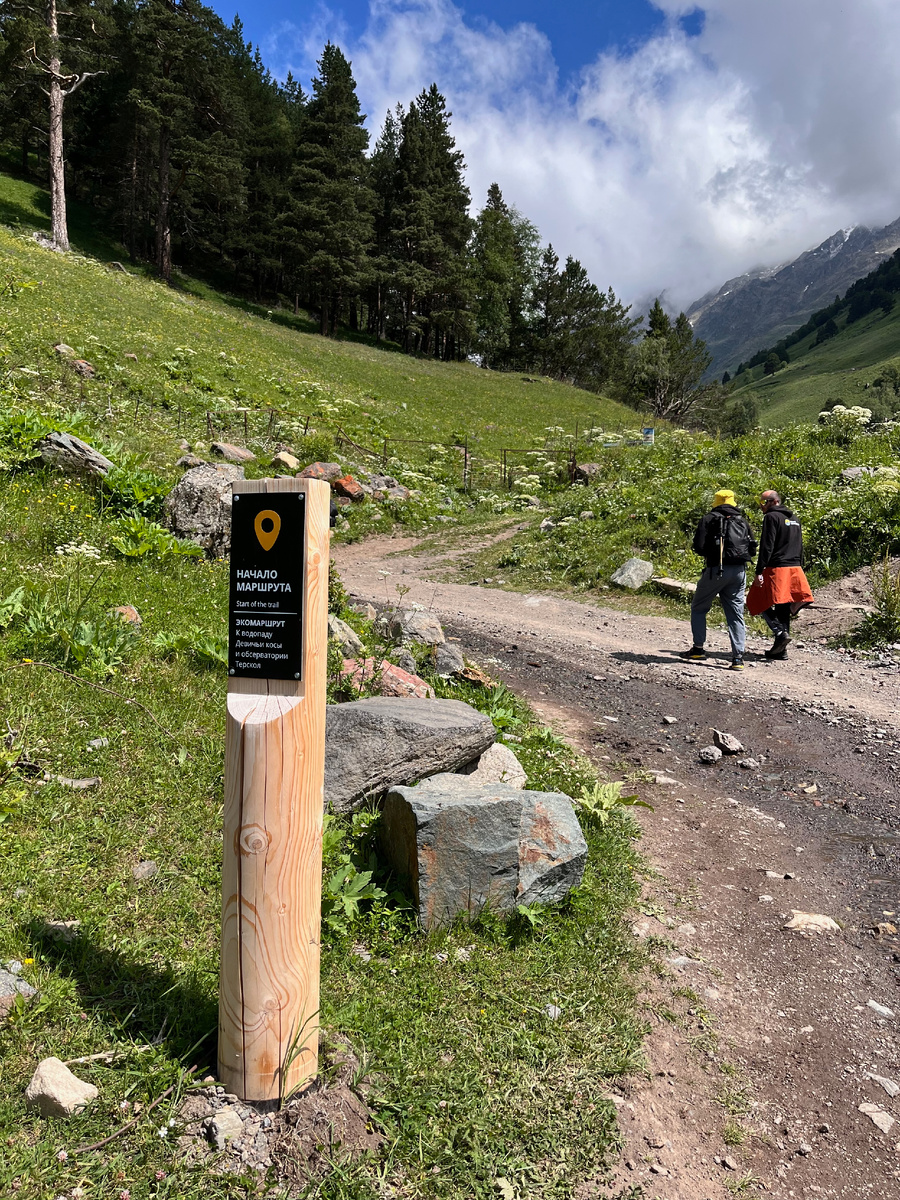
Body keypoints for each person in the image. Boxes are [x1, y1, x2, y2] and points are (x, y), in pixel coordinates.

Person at [680, 488, 757, 671]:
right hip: (739, 572)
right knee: (735, 614)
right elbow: (752, 548)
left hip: (716, 570)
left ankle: (698, 648)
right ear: (732, 502)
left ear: (716, 502)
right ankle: (738, 659)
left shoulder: (708, 519)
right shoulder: (742, 521)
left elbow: (698, 546)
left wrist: (712, 554)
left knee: (699, 607)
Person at [746, 490, 814, 660]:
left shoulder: (771, 518)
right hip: (795, 568)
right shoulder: (795, 519)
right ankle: (781, 650)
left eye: (763, 502)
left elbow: (766, 546)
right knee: (783, 606)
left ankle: (779, 631)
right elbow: (800, 545)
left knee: (755, 599)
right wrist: (801, 566)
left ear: (773, 502)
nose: (761, 505)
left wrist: (759, 571)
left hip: (777, 568)